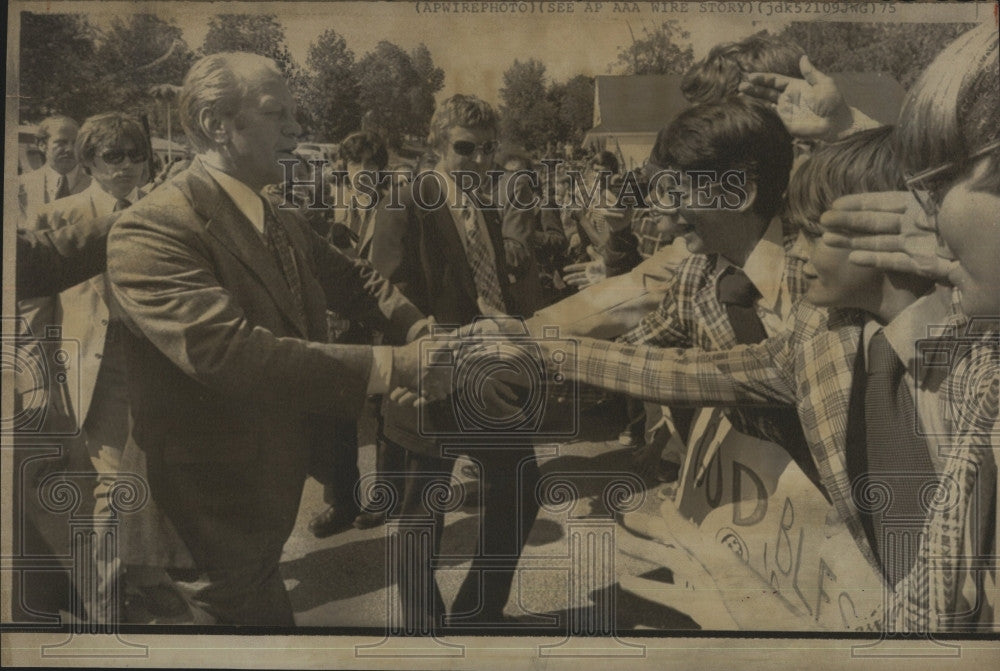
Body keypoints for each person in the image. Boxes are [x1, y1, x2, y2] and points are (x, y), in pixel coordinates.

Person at [515, 123, 994, 631]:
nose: (797, 250)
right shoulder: (819, 334)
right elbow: (677, 371)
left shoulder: (976, 352)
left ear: (886, 228)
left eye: (813, 233)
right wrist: (547, 351)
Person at [105, 52, 436, 626]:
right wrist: (397, 366)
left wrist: (418, 326)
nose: (296, 129)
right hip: (201, 530)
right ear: (216, 125)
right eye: (275, 113)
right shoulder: (153, 226)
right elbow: (231, 354)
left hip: (252, 513)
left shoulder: (275, 213)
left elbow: (352, 278)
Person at [370, 94, 539, 630]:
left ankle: (477, 612)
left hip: (490, 369)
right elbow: (386, 291)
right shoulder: (406, 198)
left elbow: (491, 290)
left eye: (489, 149)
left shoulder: (485, 200)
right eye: (467, 149)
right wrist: (412, 367)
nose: (480, 160)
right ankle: (423, 628)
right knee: (423, 512)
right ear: (438, 144)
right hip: (434, 371)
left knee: (521, 487)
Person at [18, 116, 91, 224]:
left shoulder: (98, 185)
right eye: (61, 143)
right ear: (42, 145)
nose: (70, 149)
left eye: (75, 143)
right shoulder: (19, 186)